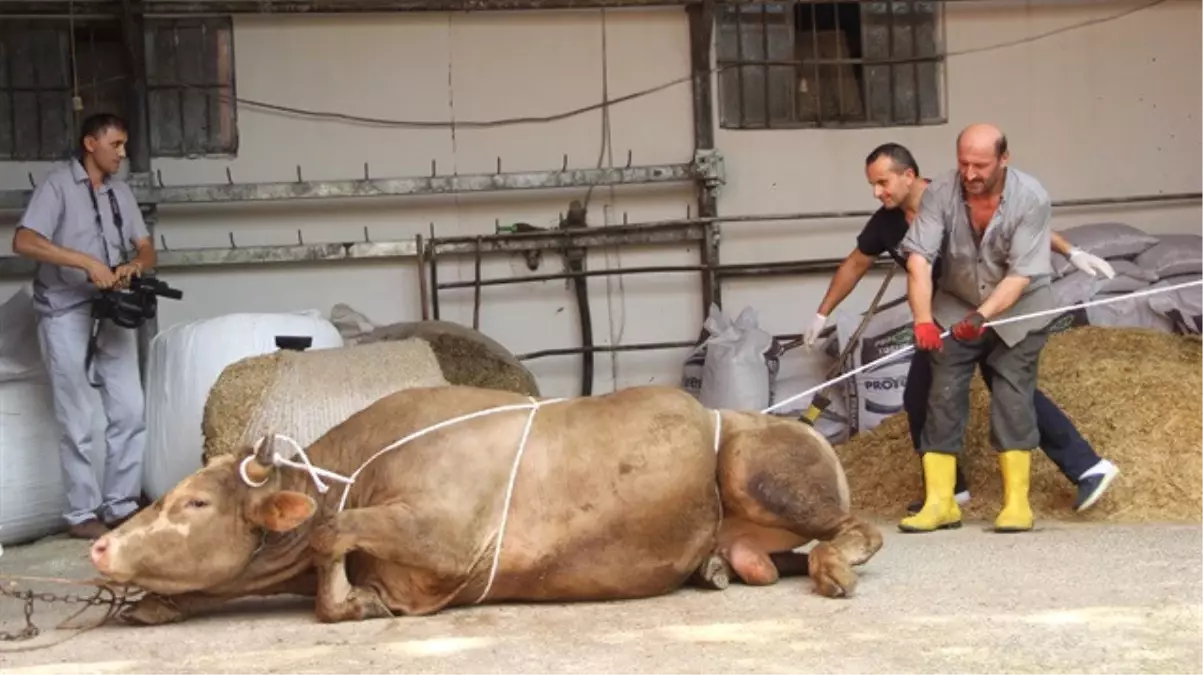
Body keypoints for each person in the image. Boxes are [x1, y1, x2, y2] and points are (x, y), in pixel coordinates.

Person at [802, 140, 1119, 520]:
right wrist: (822, 314)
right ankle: (951, 490)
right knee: (922, 396)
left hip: (994, 308)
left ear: (909, 175)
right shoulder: (886, 222)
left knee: (1012, 391)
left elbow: (1025, 227)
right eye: (872, 185)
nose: (877, 192)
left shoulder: (954, 196)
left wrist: (1070, 251)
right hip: (946, 317)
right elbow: (854, 265)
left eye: (883, 182)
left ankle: (1085, 467)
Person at [11, 113, 156, 540]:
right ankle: (80, 513)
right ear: (91, 144)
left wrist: (132, 266)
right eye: (116, 145)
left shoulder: (121, 192)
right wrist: (86, 261)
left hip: (111, 308)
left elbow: (146, 249)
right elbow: (23, 241)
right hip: (64, 309)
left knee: (129, 407)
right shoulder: (56, 186)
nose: (122, 153)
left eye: (125, 145)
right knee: (75, 414)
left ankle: (121, 505)